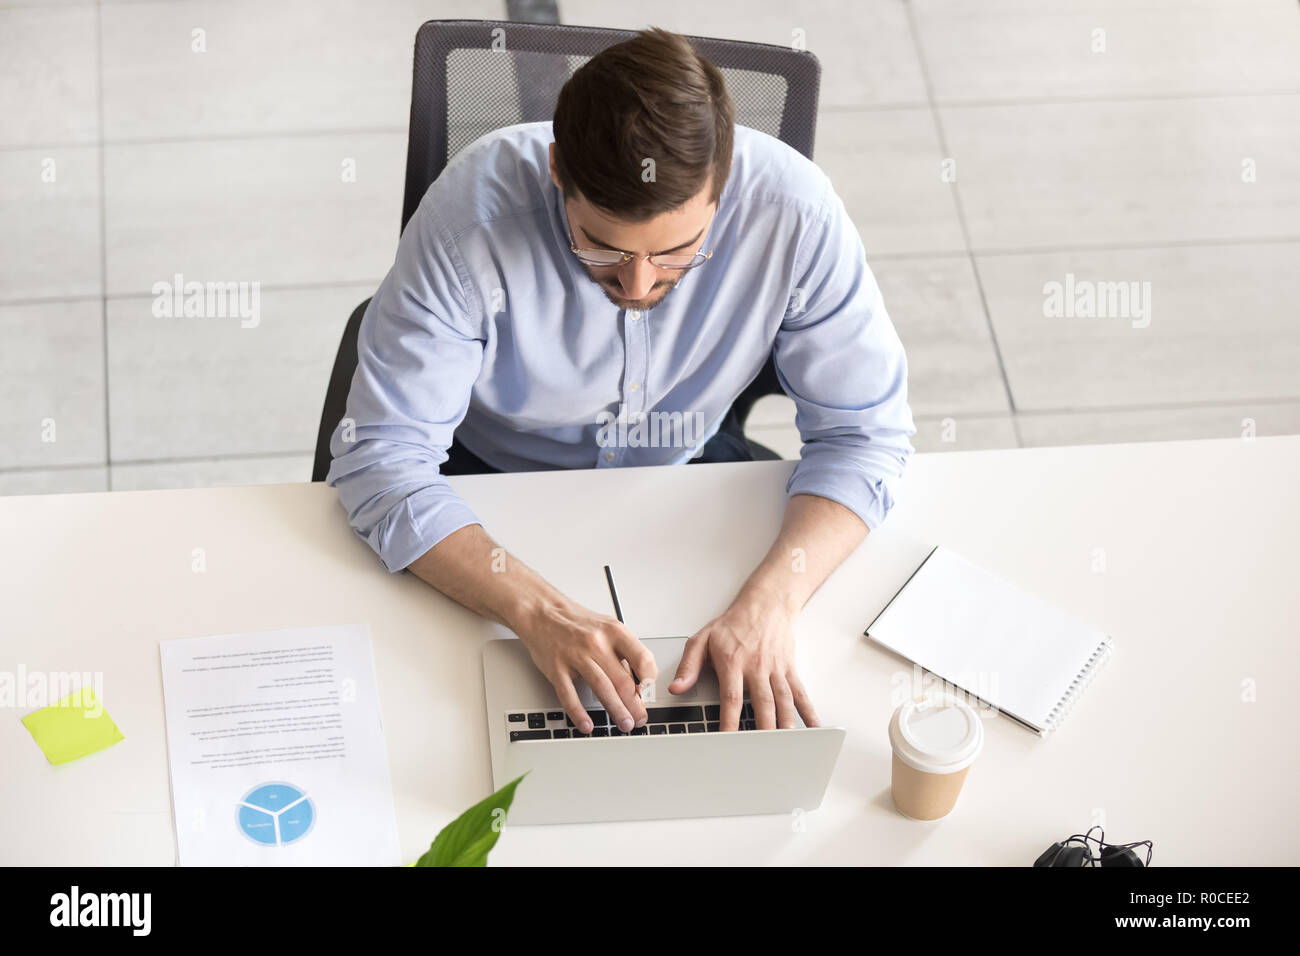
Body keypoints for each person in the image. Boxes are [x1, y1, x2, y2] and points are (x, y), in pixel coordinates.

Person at [328, 27, 915, 737]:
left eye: (676, 254)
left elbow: (865, 436)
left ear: (723, 184)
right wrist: (536, 611)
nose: (637, 286)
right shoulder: (468, 223)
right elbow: (382, 461)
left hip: (684, 472)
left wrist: (771, 604)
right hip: (491, 485)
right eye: (602, 248)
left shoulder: (796, 215)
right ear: (557, 171)